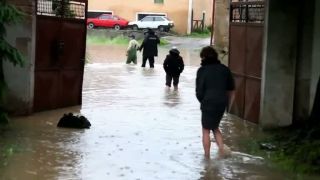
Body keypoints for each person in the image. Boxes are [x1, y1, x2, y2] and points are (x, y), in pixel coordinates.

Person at [195, 46, 235, 158]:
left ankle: (207, 158)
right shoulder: (224, 69)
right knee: (215, 127)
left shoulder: (202, 71)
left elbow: (198, 91)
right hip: (222, 103)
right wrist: (228, 106)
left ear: (203, 58)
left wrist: (203, 102)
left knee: (206, 130)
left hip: (208, 102)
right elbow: (231, 91)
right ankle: (222, 150)